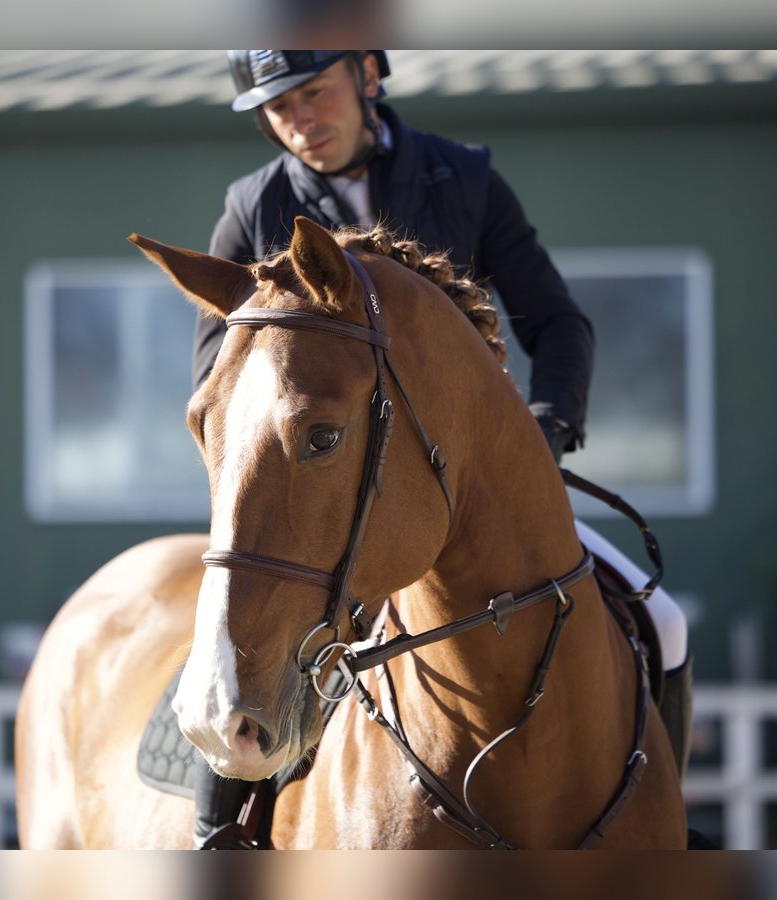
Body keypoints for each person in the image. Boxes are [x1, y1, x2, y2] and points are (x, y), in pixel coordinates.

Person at [189, 50, 690, 848]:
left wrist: (542, 438)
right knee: (243, 648)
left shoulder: (462, 177)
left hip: (480, 486)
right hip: (342, 500)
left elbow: (555, 322)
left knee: (660, 620)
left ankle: (660, 818)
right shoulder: (255, 205)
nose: (299, 123)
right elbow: (228, 390)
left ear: (367, 75)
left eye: (313, 94)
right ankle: (221, 829)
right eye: (278, 111)